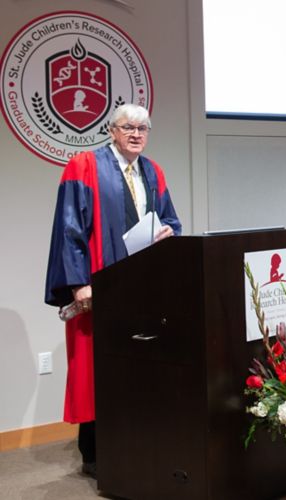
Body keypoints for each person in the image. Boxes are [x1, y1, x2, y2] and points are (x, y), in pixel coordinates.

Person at [44, 104, 182, 476]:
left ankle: (134, 440)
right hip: (99, 285)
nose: (136, 134)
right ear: (112, 131)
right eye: (128, 127)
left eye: (143, 128)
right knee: (96, 366)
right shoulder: (84, 167)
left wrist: (169, 231)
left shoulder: (154, 172)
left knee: (137, 361)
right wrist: (79, 283)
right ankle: (95, 454)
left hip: (142, 285)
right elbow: (69, 229)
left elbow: (170, 219)